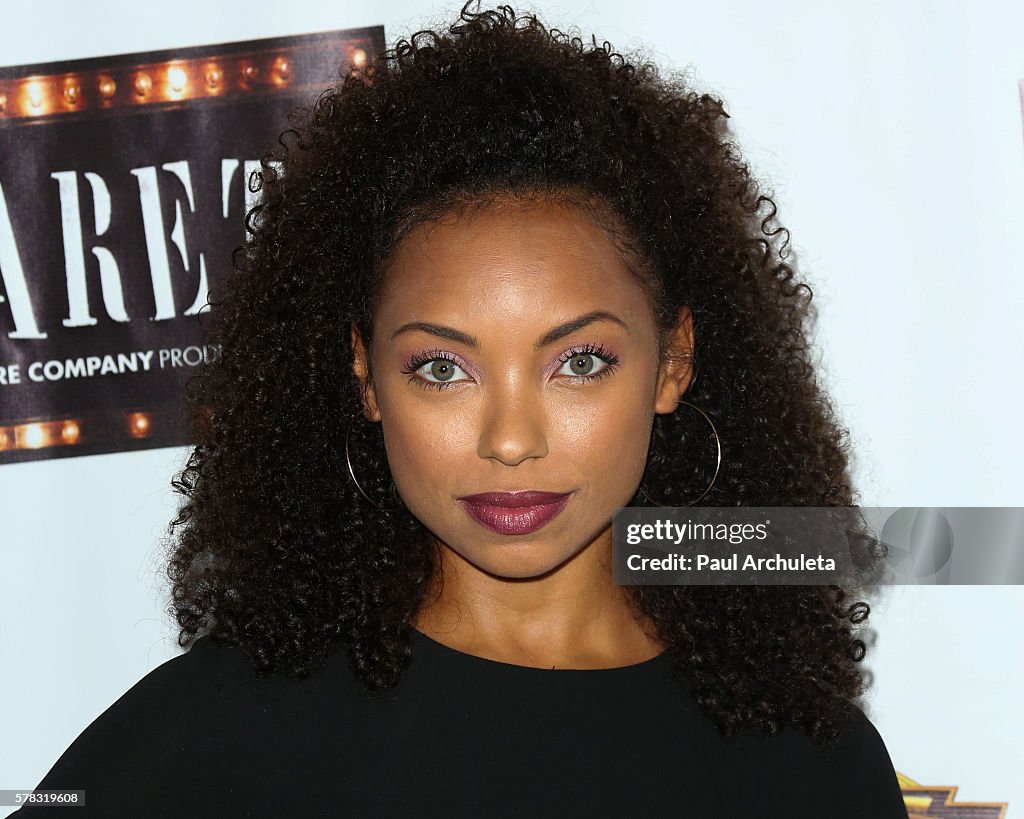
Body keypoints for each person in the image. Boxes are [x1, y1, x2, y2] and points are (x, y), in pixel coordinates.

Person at [20, 3, 909, 816]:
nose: (511, 440)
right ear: (365, 377)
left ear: (673, 361)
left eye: (579, 361)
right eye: (442, 368)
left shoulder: (811, 764)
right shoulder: (214, 737)